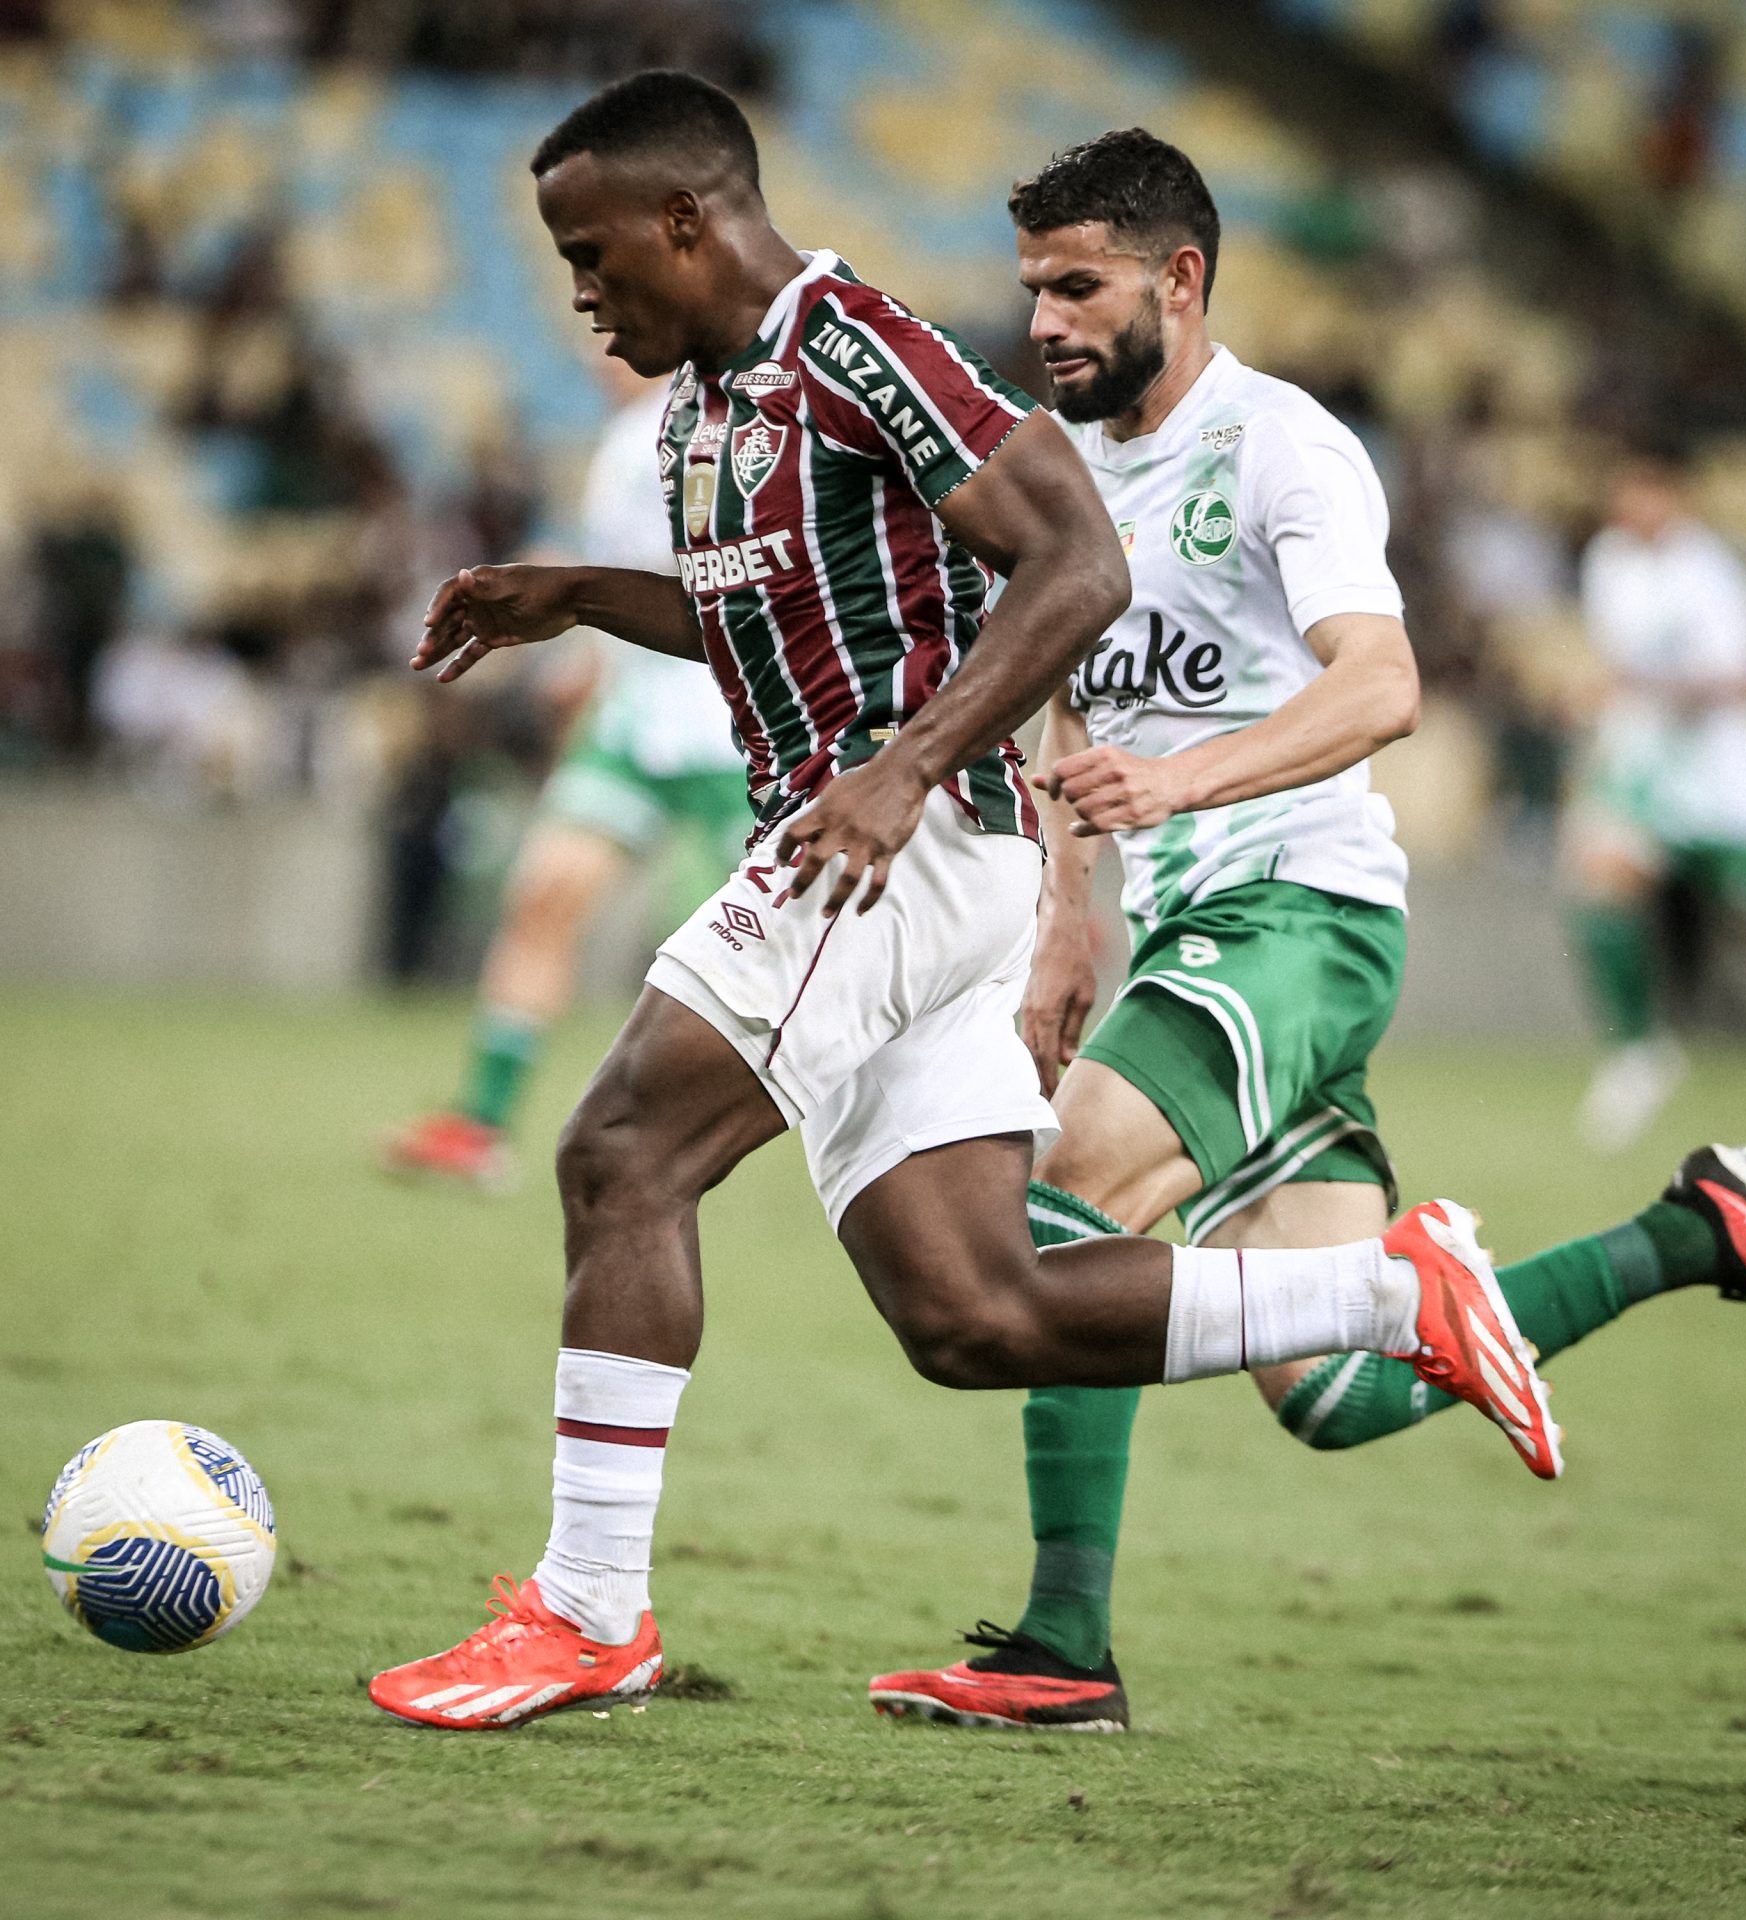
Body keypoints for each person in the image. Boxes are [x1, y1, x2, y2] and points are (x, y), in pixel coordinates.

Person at [365, 72, 1569, 1733]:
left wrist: (908, 767)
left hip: (892, 845)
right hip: (909, 848)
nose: (581, 288)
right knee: (977, 1312)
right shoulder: (718, 400)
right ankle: (1388, 1295)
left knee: (620, 1152)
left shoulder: (853, 341)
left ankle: (587, 1617)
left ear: (688, 221)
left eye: (593, 251)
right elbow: (777, 613)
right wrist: (580, 594)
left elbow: (1081, 563)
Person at [861, 132, 1746, 1735]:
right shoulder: (1061, 477)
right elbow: (1067, 692)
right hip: (1199, 934)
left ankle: (1062, 1648)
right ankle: (1692, 1232)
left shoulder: (1284, 449)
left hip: (1303, 919)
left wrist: (1184, 777)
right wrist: (1071, 926)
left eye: (1079, 287)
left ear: (1179, 282)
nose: (1045, 320)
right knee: (1340, 1393)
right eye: (1031, 289)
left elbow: (1381, 684)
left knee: (1064, 1191)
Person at [383, 372, 750, 1190]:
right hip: (632, 719)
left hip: (730, 723)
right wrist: (586, 663)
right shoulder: (625, 439)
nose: (598, 342)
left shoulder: (731, 416)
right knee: (545, 891)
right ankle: (482, 1123)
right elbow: (624, 581)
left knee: (805, 943)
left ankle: (922, 1135)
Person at [1566, 441, 1746, 1150]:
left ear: (1675, 496)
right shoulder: (1607, 560)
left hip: (1722, 779)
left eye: (1647, 492)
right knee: (1600, 884)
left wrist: (1653, 687)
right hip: (1644, 766)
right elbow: (1614, 664)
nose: (1632, 507)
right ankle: (1640, 1050)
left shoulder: (1709, 569)